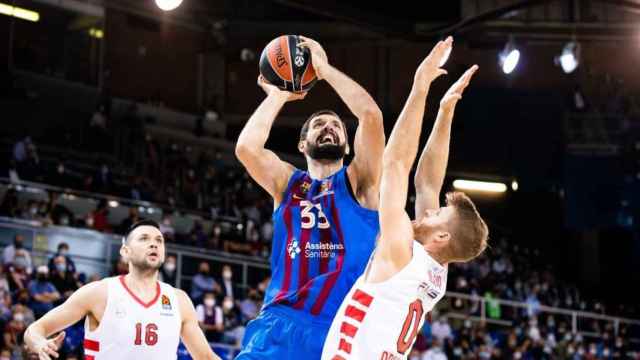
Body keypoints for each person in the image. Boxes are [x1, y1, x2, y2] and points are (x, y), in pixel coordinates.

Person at [322, 38, 488, 360]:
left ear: (441, 236)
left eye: (437, 214)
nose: (428, 212)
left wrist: (420, 85)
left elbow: (396, 165)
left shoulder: (402, 251)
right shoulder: (435, 273)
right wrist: (444, 112)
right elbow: (427, 183)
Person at [235, 35, 384, 359]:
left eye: (335, 126)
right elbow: (246, 149)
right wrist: (278, 95)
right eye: (318, 124)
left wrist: (324, 69)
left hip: (339, 331)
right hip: (278, 324)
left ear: (347, 146)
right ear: (302, 144)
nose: (328, 127)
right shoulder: (287, 183)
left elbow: (371, 116)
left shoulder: (362, 183)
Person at [24, 220, 220, 360]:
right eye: (144, 238)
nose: (154, 243)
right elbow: (34, 330)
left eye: (159, 240)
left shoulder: (179, 300)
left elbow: (205, 356)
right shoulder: (99, 293)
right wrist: (39, 343)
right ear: (125, 251)